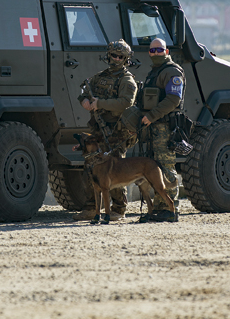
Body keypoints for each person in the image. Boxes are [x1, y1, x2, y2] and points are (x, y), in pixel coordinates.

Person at [74, 39, 137, 221]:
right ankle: (91, 208)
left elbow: (126, 102)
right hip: (98, 130)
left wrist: (100, 103)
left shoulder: (127, 80)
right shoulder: (100, 77)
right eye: (113, 55)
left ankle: (119, 209)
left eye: (120, 57)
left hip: (116, 131)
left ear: (125, 59)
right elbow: (84, 90)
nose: (116, 59)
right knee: (91, 166)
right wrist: (84, 100)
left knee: (115, 169)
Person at [137, 37, 184, 222]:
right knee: (154, 169)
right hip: (154, 127)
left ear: (166, 51)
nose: (156, 53)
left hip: (165, 126)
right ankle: (159, 207)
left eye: (159, 50)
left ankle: (170, 209)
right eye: (152, 50)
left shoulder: (172, 71)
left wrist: (152, 116)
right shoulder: (155, 72)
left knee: (165, 166)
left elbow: (174, 99)